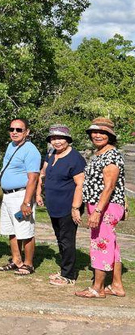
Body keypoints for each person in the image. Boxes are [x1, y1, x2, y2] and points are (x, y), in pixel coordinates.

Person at [75, 117, 128, 299]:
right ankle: (117, 285)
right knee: (110, 244)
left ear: (110, 135)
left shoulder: (111, 155)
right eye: (94, 132)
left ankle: (97, 287)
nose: (97, 135)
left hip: (105, 206)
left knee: (101, 244)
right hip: (100, 205)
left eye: (102, 132)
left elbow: (109, 186)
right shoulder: (98, 153)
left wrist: (97, 211)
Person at [35, 124, 85, 286]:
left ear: (68, 140)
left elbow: (80, 184)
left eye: (60, 138)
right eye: (53, 138)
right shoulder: (51, 154)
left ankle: (69, 275)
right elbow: (42, 174)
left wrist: (75, 208)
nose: (56, 142)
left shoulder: (75, 159)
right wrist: (38, 192)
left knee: (67, 240)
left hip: (68, 206)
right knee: (60, 238)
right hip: (53, 205)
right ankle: (64, 269)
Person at [0, 118, 41, 276]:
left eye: (19, 130)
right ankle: (17, 260)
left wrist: (26, 202)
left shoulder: (31, 150)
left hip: (21, 195)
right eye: (12, 129)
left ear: (27, 132)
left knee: (25, 230)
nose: (14, 132)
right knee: (11, 230)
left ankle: (28, 264)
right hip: (8, 195)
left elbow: (33, 178)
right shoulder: (11, 145)